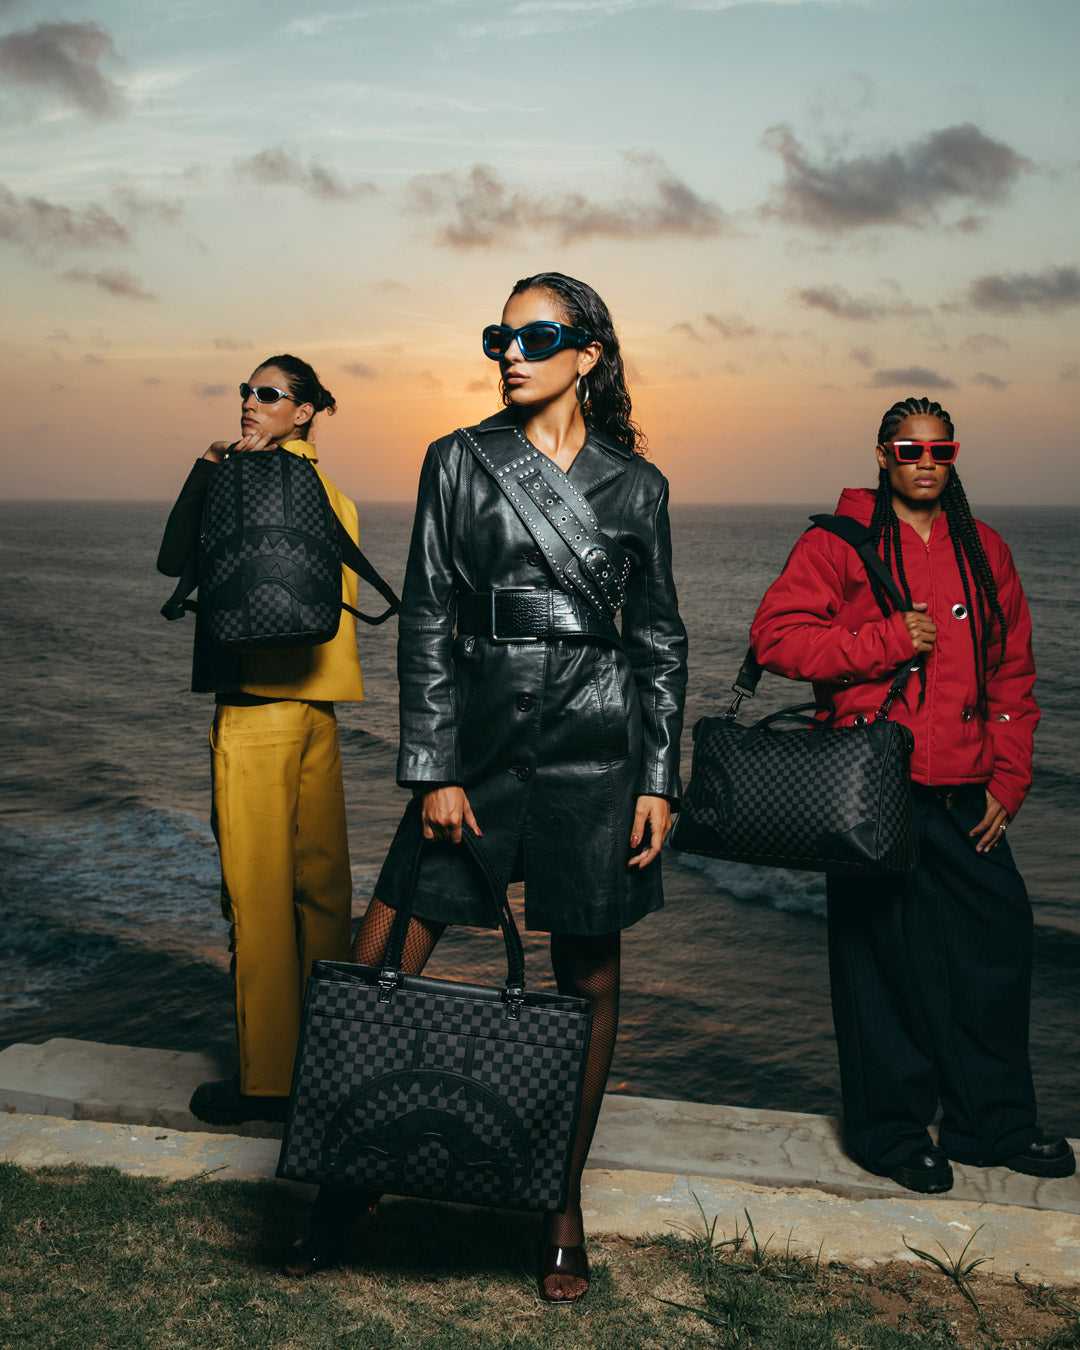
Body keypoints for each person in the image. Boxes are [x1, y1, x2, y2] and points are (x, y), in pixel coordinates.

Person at [282, 272, 688, 1301]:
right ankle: (346, 1178)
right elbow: (425, 614)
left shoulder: (638, 488)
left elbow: (658, 640)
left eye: (536, 337)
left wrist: (657, 777)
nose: (511, 353)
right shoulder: (458, 459)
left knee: (588, 975)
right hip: (479, 742)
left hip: (598, 748)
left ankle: (559, 1202)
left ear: (589, 353)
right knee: (383, 954)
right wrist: (434, 765)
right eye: (498, 338)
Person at [750, 395, 1075, 1194]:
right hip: (872, 789)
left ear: (952, 456)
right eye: (909, 450)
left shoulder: (984, 548)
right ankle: (890, 1135)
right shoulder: (838, 542)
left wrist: (1009, 778)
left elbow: (1012, 674)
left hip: (965, 790)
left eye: (940, 450)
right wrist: (886, 641)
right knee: (879, 963)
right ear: (882, 455)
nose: (925, 463)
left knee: (994, 952)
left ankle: (990, 1125)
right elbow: (776, 638)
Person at [157, 355, 363, 1126]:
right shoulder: (333, 495)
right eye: (246, 391)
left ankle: (270, 1082)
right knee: (324, 898)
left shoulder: (235, 481)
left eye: (268, 393)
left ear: (304, 410)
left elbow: (172, 560)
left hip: (254, 710)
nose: (250, 401)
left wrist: (210, 464)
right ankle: (330, 1068)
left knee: (259, 899)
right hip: (321, 710)